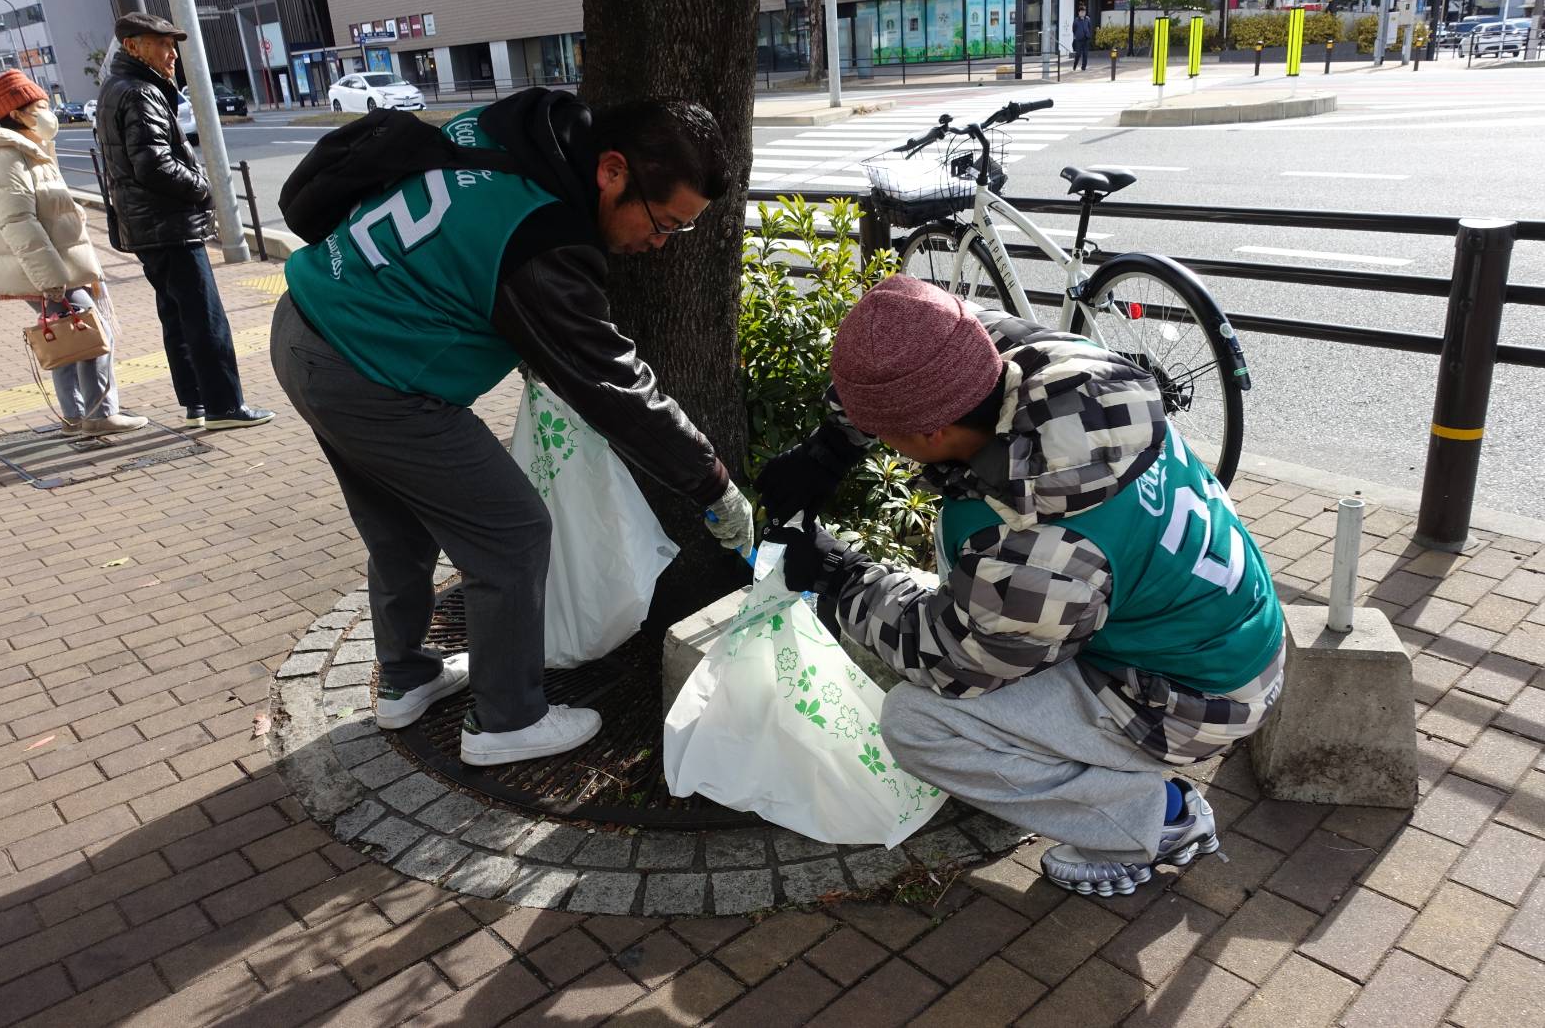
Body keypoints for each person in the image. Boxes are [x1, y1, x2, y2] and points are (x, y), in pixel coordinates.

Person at [272, 88, 753, 767]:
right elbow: (615, 387)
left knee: (398, 527)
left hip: (307, 325)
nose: (660, 244)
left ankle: (405, 677)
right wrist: (712, 483)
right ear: (612, 170)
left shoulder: (510, 133)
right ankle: (507, 721)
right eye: (664, 223)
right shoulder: (542, 237)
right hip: (372, 377)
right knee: (512, 532)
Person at [760, 275, 1284, 897]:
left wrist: (840, 576)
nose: (879, 441)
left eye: (882, 431)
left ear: (929, 434)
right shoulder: (1062, 369)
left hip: (1190, 703)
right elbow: (918, 347)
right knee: (974, 572)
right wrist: (830, 447)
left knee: (919, 723)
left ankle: (1153, 820)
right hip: (1227, 634)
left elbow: (951, 658)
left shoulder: (1039, 548)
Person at [97, 12, 273, 430]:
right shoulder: (140, 91)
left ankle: (196, 401)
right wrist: (203, 187)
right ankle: (224, 406)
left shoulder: (116, 88)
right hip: (169, 225)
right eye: (161, 44)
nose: (171, 53)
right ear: (132, 46)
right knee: (204, 316)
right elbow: (153, 164)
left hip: (147, 226)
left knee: (176, 316)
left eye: (172, 44)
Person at [0, 70, 146, 435]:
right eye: (40, 106)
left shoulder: (25, 147)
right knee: (92, 331)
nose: (48, 111)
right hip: (43, 269)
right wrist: (51, 279)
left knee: (68, 334)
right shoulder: (7, 155)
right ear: (17, 113)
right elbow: (17, 222)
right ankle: (99, 415)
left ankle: (75, 415)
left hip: (46, 265)